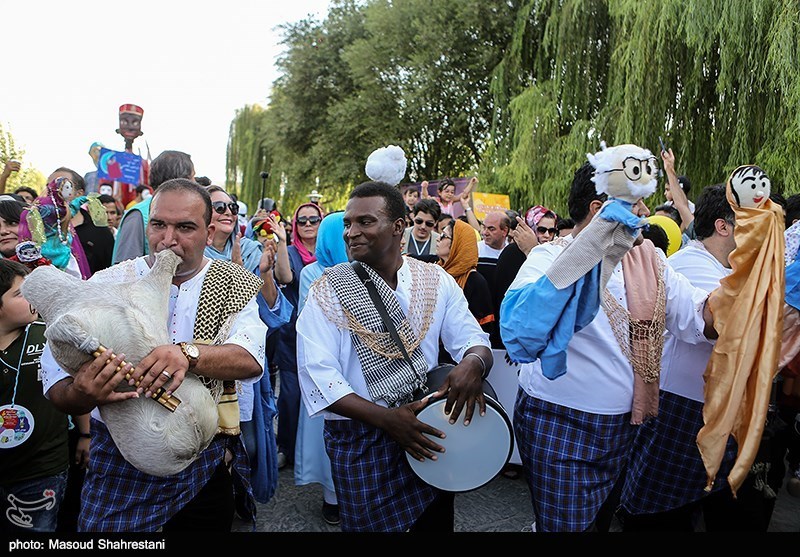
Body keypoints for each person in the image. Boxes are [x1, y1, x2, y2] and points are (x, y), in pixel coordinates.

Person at [500, 160, 717, 532]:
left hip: (629, 427)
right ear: (599, 211)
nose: (646, 214)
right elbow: (521, 331)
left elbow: (698, 318)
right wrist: (592, 251)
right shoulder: (547, 258)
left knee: (599, 523)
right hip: (559, 423)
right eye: (635, 205)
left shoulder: (650, 260)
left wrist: (752, 275)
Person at [40, 178, 268, 532]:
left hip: (203, 456)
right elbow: (56, 384)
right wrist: (82, 393)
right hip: (119, 458)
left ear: (209, 233)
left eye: (185, 227)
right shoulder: (106, 282)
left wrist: (187, 355)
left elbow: (251, 358)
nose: (168, 239)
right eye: (159, 224)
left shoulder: (232, 283)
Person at [296, 181, 493, 532]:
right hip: (361, 442)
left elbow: (473, 339)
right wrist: (388, 420)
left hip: (426, 434)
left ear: (398, 226)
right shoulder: (328, 289)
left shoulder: (435, 280)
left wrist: (473, 364)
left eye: (365, 222)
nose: (351, 233)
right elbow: (318, 377)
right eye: (347, 224)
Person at [617, 183, 743, 531]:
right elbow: (717, 322)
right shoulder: (692, 263)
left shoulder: (728, 269)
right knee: (656, 513)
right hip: (681, 407)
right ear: (723, 226)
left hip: (710, 409)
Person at [204, 184, 290, 514]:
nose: (227, 212)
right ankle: (214, 501)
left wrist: (264, 273)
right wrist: (236, 275)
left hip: (247, 363)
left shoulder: (252, 250)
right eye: (219, 206)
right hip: (208, 361)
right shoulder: (192, 254)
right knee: (212, 441)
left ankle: (241, 492)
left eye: (231, 207)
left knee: (250, 443)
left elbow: (272, 312)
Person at [0, 259, 70, 533]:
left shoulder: (48, 336)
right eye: (19, 294)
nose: (31, 297)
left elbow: (75, 386)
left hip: (42, 468)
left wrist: (85, 436)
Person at [295, 210, 348, 526]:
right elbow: (306, 320)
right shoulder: (312, 273)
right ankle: (332, 497)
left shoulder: (364, 270)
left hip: (360, 366)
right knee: (326, 430)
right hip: (324, 363)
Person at [271, 201, 324, 470]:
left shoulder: (330, 250)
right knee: (290, 394)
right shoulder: (291, 252)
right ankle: (286, 447)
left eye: (313, 220)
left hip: (324, 335)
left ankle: (316, 450)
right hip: (293, 333)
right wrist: (281, 242)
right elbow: (285, 276)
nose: (307, 225)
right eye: (301, 221)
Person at [112, 150, 194, 264]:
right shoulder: (137, 215)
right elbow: (126, 269)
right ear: (181, 180)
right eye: (159, 225)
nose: (195, 183)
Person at [436, 218, 495, 342]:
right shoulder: (435, 269)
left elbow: (484, 327)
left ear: (458, 243)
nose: (437, 239)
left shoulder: (475, 281)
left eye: (443, 236)